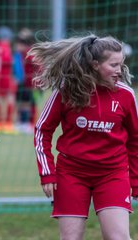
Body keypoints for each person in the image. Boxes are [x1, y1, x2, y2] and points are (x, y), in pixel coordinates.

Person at [30, 34, 138, 239]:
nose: (120, 70)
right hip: (71, 174)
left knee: (118, 237)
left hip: (112, 174)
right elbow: (42, 130)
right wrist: (47, 173)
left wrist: (136, 179)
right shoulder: (66, 92)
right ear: (95, 64)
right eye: (114, 65)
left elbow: (135, 140)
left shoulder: (125, 94)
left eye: (121, 64)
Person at [0, 26, 17, 134]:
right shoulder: (6, 48)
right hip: (6, 77)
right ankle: (8, 124)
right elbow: (9, 63)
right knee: (10, 99)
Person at [13, 28, 36, 134]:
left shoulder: (30, 54)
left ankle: (28, 124)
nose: (17, 46)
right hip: (22, 83)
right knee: (21, 103)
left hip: (30, 84)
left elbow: (37, 68)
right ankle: (21, 123)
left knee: (29, 103)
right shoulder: (18, 55)